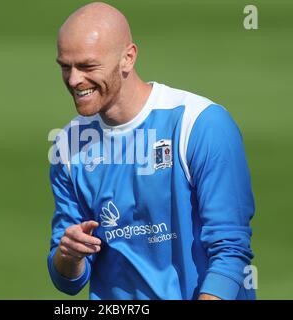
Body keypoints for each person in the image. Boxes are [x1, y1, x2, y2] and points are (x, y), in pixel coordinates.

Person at [47, 2, 256, 300]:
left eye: (87, 66)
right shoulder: (69, 145)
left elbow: (231, 252)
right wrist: (69, 255)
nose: (73, 80)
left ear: (127, 58)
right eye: (65, 66)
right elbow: (67, 281)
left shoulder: (199, 123)